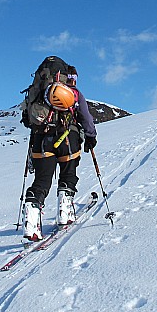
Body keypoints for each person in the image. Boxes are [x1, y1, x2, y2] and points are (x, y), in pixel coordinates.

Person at [23, 65, 97, 241]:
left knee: (41, 180)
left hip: (40, 140)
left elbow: (27, 120)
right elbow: (85, 116)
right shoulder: (74, 93)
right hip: (67, 139)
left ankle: (31, 222)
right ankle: (65, 214)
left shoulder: (38, 93)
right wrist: (90, 137)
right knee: (68, 173)